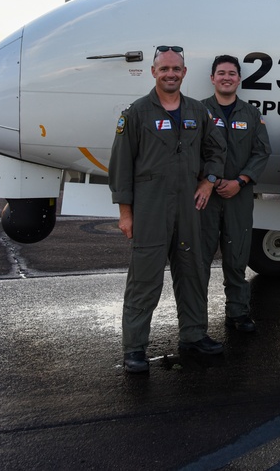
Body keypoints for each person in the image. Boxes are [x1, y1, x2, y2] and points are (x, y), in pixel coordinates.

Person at [110, 45, 227, 374]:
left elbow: (216, 149)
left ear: (184, 73)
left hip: (189, 207)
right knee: (144, 281)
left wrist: (208, 182)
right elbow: (120, 166)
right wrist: (125, 212)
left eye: (176, 69)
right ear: (154, 73)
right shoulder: (136, 113)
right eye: (164, 69)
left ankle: (193, 335)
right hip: (151, 208)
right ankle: (134, 348)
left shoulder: (197, 112)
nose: (171, 74)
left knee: (192, 273)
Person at [200, 55, 271, 333]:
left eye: (231, 73)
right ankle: (196, 318)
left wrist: (240, 181)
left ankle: (238, 312)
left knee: (237, 256)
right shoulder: (199, 110)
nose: (226, 77)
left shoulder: (251, 114)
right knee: (199, 258)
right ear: (212, 78)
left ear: (239, 79)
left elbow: (261, 151)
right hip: (205, 196)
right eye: (221, 73)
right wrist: (208, 180)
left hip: (238, 195)